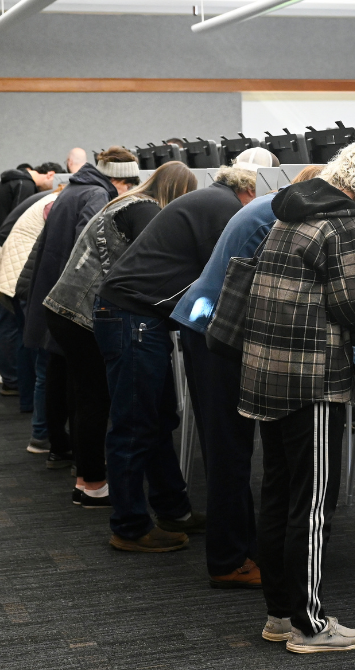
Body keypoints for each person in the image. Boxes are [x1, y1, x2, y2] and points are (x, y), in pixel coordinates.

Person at [239, 138, 355, 653]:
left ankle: (280, 615)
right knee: (312, 504)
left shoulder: (294, 208)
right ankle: (310, 626)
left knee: (278, 494)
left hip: (266, 369)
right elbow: (354, 302)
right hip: (310, 377)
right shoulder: (344, 221)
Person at [92, 147, 278, 555]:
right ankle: (128, 525)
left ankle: (171, 510)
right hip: (132, 315)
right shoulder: (224, 209)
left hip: (133, 313)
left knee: (156, 420)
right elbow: (232, 278)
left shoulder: (214, 199)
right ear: (253, 189)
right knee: (135, 424)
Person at [44, 159, 195, 510]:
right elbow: (157, 263)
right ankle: (94, 483)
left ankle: (87, 480)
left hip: (63, 307)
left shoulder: (124, 202)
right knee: (97, 400)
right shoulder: (145, 210)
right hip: (82, 313)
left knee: (87, 397)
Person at [24, 148, 136, 471]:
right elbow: (93, 249)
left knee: (59, 374)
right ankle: (79, 456)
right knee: (80, 384)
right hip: (71, 299)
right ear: (120, 180)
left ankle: (58, 445)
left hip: (52, 291)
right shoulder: (98, 195)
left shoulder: (74, 187)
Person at [0, 183, 63, 453]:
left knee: (25, 338)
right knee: (38, 351)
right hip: (20, 271)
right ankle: (39, 430)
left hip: (14, 266)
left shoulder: (55, 197)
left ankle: (25, 400)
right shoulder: (60, 203)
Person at [0, 163, 61, 397]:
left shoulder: (20, 184)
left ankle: (11, 378)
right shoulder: (27, 186)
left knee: (12, 322)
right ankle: (12, 378)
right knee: (15, 322)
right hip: (8, 252)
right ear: (51, 175)